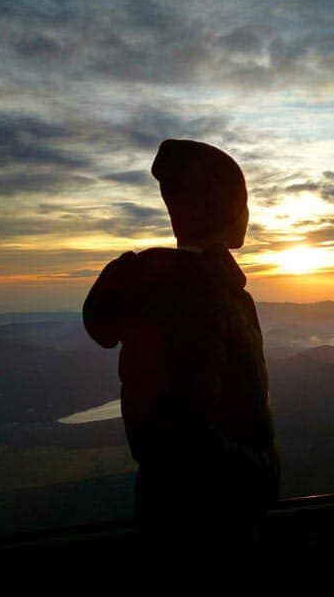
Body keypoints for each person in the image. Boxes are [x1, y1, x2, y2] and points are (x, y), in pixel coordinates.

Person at [83, 139, 280, 592]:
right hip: (206, 539)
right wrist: (262, 476)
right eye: (243, 203)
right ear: (228, 212)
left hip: (171, 526)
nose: (248, 215)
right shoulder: (200, 301)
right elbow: (185, 438)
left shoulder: (170, 292)